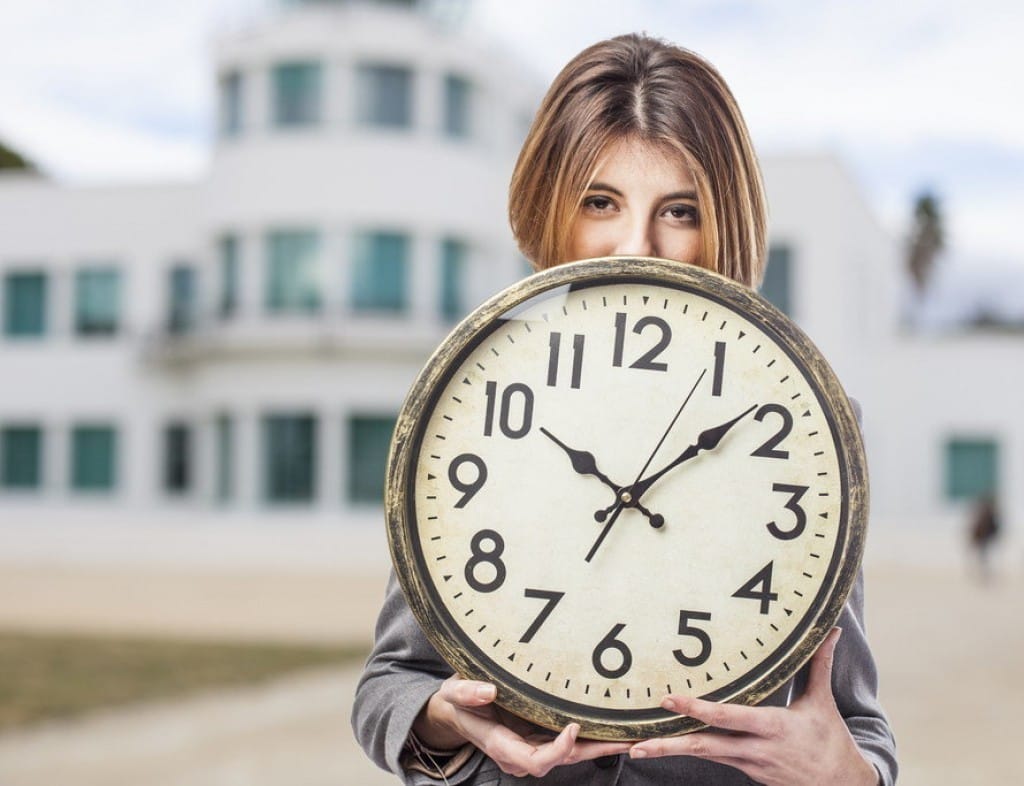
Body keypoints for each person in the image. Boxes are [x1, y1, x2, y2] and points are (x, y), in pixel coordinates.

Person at [352, 33, 897, 785]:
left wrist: (846, 775)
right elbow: (391, 683)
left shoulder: (807, 418)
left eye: (679, 210)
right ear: (551, 207)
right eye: (600, 202)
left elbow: (855, 724)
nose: (633, 244)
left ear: (723, 224)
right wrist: (445, 719)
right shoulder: (470, 397)